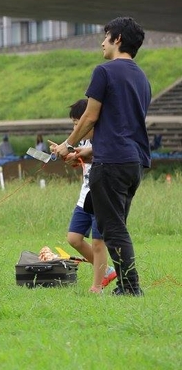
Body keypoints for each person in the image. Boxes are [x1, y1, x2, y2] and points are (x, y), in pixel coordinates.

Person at [52, 17, 151, 297]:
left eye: (106, 36)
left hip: (111, 165)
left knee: (113, 229)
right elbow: (125, 128)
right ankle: (126, 286)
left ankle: (131, 288)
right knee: (115, 225)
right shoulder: (142, 78)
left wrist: (67, 145)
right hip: (134, 163)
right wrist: (90, 150)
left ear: (118, 39)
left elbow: (90, 116)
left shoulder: (104, 71)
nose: (102, 42)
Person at [52, 99, 116, 293]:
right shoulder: (83, 142)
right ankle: (107, 270)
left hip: (102, 196)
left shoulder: (104, 142)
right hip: (85, 196)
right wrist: (66, 155)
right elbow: (83, 162)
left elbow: (101, 158)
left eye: (78, 123)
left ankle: (97, 287)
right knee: (74, 238)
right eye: (73, 124)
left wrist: (78, 155)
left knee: (98, 242)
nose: (76, 128)